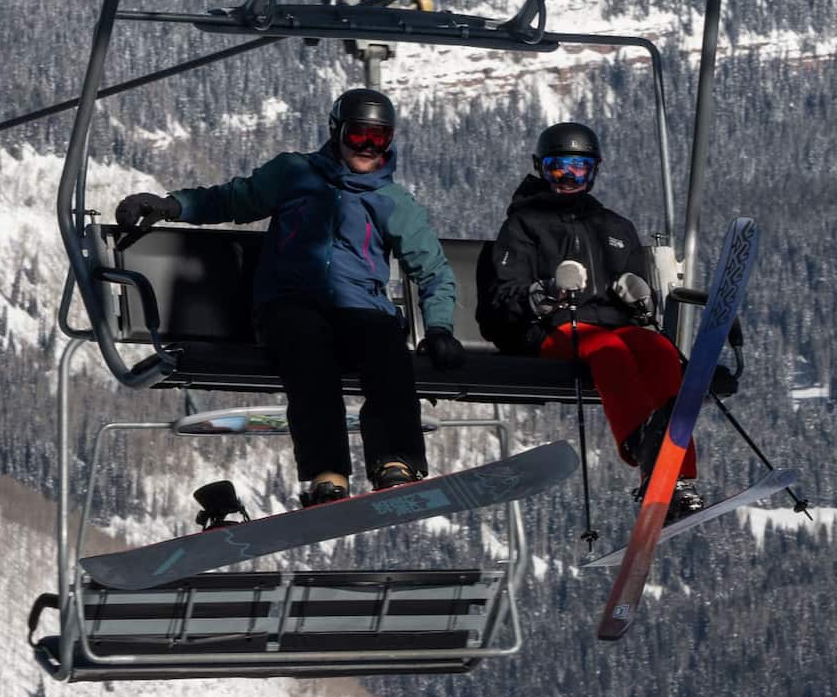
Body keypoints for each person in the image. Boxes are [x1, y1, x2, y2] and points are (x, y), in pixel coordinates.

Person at [114, 88, 466, 507]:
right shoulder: (294, 174)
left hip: (361, 309)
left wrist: (440, 327)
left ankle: (397, 463)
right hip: (290, 304)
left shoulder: (393, 202)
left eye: (379, 138)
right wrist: (171, 206)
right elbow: (232, 199)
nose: (369, 148)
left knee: (388, 350)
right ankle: (327, 472)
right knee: (308, 357)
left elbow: (433, 271)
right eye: (359, 137)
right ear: (337, 133)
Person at [480, 121, 704, 519]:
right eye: (558, 168)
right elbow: (502, 300)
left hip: (612, 325)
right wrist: (544, 293)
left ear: (594, 171)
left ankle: (679, 476)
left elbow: (640, 307)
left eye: (578, 169)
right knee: (609, 350)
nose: (568, 178)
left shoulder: (616, 228)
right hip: (550, 329)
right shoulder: (523, 226)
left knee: (659, 350)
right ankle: (642, 447)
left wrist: (639, 299)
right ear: (540, 168)